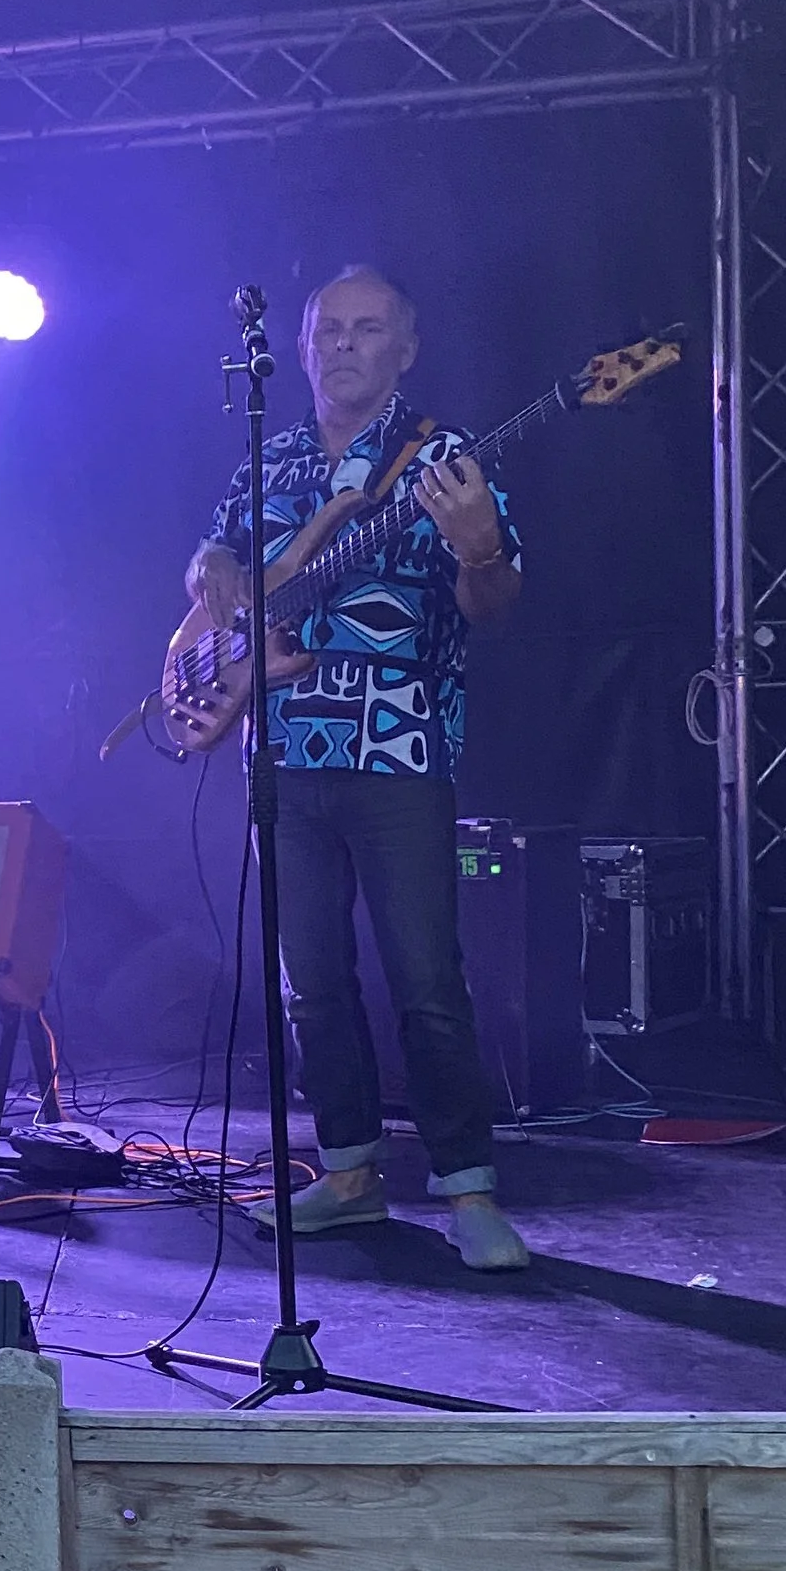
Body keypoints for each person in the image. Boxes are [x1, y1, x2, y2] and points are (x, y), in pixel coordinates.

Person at [185, 266, 530, 1272]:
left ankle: (468, 1189)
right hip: (283, 754)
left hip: (399, 750)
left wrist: (479, 551)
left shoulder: (443, 457)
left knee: (426, 982)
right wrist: (207, 574)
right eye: (326, 330)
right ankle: (346, 1172)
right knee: (313, 985)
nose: (342, 344)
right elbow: (212, 566)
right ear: (298, 348)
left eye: (365, 328)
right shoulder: (271, 458)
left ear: (405, 348)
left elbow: (495, 603)